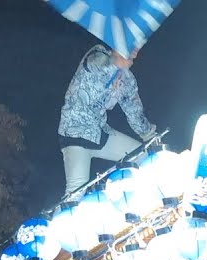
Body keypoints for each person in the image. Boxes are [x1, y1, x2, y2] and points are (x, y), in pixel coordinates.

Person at [58, 42, 158, 194]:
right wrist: (115, 63)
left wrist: (151, 137)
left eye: (137, 48)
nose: (135, 51)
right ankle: (64, 215)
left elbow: (134, 112)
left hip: (100, 134)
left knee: (143, 156)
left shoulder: (127, 80)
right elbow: (96, 66)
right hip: (74, 134)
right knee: (76, 191)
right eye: (131, 45)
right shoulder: (96, 55)